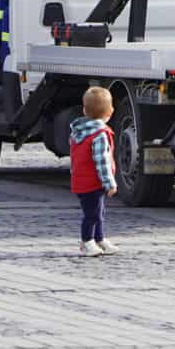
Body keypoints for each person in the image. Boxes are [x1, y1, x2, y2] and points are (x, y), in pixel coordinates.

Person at [69, 86, 119, 257]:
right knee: (93, 215)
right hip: (93, 182)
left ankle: (99, 238)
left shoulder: (78, 133)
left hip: (80, 180)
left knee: (98, 212)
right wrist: (109, 183)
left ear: (84, 110)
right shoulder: (99, 135)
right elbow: (102, 162)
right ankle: (87, 241)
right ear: (110, 111)